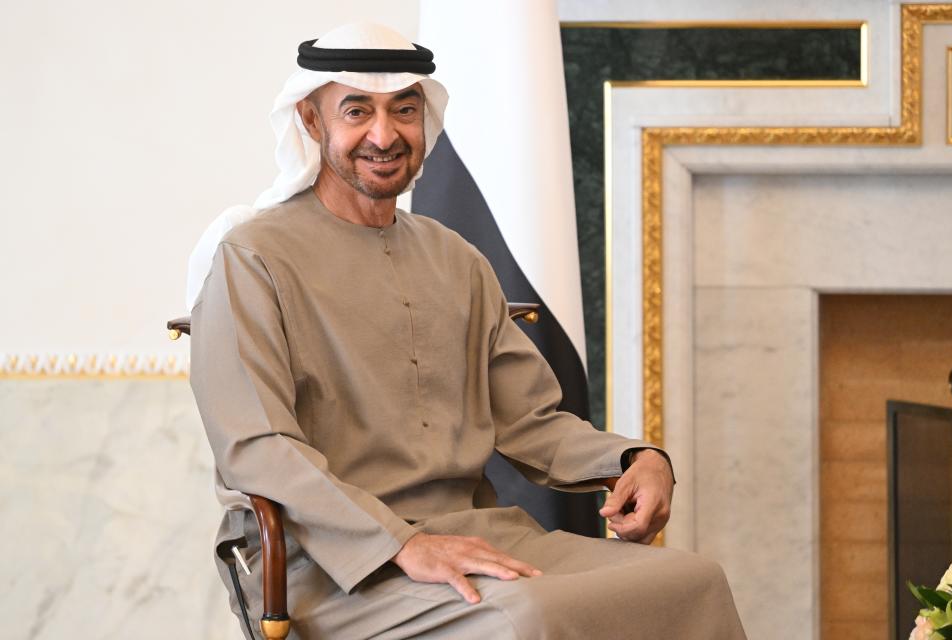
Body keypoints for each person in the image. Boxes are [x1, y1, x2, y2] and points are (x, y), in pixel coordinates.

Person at [187, 22, 746, 639]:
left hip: (474, 537)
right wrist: (399, 545)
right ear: (312, 122)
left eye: (404, 110)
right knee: (528, 618)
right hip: (331, 562)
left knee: (691, 581)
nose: (384, 133)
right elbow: (256, 448)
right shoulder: (252, 257)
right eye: (357, 111)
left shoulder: (456, 258)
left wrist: (632, 458)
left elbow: (529, 421)